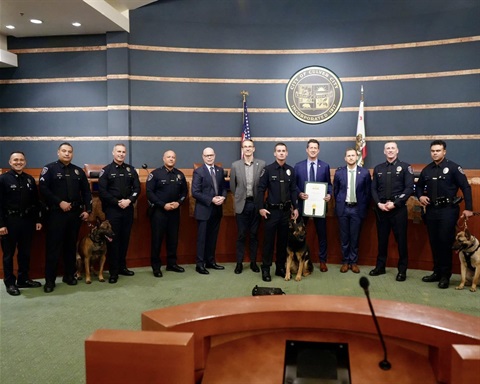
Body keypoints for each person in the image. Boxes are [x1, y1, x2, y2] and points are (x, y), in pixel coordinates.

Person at [416, 140, 473, 289]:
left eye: (438, 150)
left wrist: (469, 208)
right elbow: (419, 187)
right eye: (433, 151)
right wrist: (420, 196)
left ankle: (445, 276)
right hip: (431, 211)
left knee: (445, 242)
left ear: (444, 151)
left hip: (448, 210)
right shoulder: (427, 170)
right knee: (434, 242)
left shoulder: (454, 168)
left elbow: (465, 187)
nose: (435, 153)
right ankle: (436, 272)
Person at [39, 142, 92, 293]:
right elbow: (43, 189)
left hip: (74, 214)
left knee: (70, 247)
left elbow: (86, 192)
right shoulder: (49, 169)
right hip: (56, 214)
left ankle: (69, 275)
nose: (67, 154)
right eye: (64, 151)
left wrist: (88, 209)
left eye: (69, 151)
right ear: (58, 152)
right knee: (53, 248)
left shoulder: (78, 171)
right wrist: (59, 202)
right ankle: (50, 281)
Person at [370, 142, 414, 281]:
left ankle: (402, 270)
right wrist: (379, 203)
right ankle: (380, 267)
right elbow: (373, 189)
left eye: (392, 148)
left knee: (401, 241)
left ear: (397, 151)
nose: (390, 150)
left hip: (398, 210)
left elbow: (409, 188)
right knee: (382, 240)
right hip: (382, 209)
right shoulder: (378, 168)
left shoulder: (406, 167)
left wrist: (395, 204)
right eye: (387, 148)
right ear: (384, 151)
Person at [0, 152, 43, 296]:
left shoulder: (29, 179)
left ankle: (23, 279)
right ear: (10, 162)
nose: (18, 162)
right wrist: (1, 225)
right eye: (15, 160)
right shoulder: (3, 179)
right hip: (9, 222)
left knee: (25, 252)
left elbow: (35, 203)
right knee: (8, 254)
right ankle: (10, 283)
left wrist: (37, 220)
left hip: (27, 221)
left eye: (21, 160)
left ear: (25, 162)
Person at [256, 142, 299, 282]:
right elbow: (260, 189)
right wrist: (261, 207)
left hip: (285, 212)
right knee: (268, 242)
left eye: (283, 151)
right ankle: (266, 269)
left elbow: (293, 190)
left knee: (282, 242)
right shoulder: (267, 170)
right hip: (271, 212)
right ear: (274, 153)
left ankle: (280, 267)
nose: (281, 153)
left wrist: (296, 207)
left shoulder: (291, 171)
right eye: (278, 151)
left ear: (287, 153)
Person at [98, 143, 140, 284]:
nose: (121, 154)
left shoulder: (131, 170)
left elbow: (137, 188)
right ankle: (113, 271)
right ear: (113, 153)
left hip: (127, 209)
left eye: (123, 152)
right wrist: (117, 202)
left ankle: (122, 267)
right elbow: (102, 192)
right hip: (113, 210)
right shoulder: (106, 171)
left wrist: (129, 200)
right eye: (118, 151)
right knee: (113, 241)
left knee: (125, 238)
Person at [146, 150, 187, 277]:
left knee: (173, 239)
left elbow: (184, 192)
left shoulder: (180, 175)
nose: (171, 159)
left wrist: (178, 203)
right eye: (168, 157)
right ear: (163, 159)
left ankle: (172, 264)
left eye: (173, 157)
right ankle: (156, 267)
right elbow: (149, 193)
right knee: (157, 240)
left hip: (174, 212)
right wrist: (163, 204)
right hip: (159, 212)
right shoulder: (155, 174)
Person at [294, 139, 332, 272]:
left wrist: (329, 194)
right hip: (303, 206)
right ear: (307, 149)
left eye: (315, 148)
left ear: (318, 150)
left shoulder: (325, 166)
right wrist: (299, 194)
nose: (313, 150)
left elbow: (329, 185)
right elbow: (294, 185)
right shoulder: (298, 166)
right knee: (299, 234)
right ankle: (298, 260)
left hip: (320, 207)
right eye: (311, 147)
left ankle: (322, 261)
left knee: (322, 234)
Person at [230, 140, 266, 274]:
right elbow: (233, 187)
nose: (248, 149)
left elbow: (263, 185)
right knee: (241, 235)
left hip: (256, 204)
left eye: (250, 146)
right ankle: (239, 263)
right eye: (245, 147)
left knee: (254, 235)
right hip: (242, 205)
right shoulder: (235, 165)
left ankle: (253, 262)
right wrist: (240, 197)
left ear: (254, 149)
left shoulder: (261, 164)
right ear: (242, 149)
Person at [333, 148, 371, 273]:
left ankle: (353, 262)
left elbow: (367, 192)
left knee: (355, 237)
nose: (350, 157)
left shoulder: (364, 173)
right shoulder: (339, 173)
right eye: (348, 155)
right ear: (345, 158)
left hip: (357, 209)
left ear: (357, 157)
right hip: (343, 208)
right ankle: (345, 262)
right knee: (344, 237)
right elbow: (336, 191)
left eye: (353, 155)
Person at [191, 147, 227, 274]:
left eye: (211, 155)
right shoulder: (199, 171)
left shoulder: (220, 170)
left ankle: (211, 261)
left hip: (217, 210)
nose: (209, 157)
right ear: (203, 157)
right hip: (204, 210)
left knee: (213, 237)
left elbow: (223, 187)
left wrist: (223, 197)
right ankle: (200, 264)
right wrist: (211, 199)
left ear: (215, 155)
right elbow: (195, 192)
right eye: (207, 156)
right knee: (202, 239)